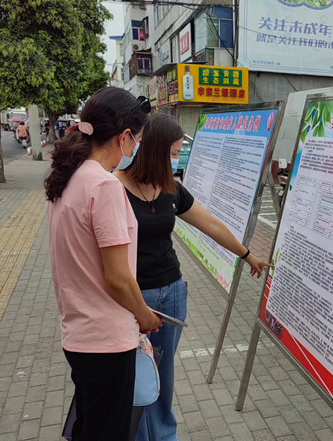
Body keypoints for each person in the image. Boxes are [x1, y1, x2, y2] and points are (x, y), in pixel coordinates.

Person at [115, 114, 272, 441]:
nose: (177, 159)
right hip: (134, 298)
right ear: (155, 150)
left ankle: (164, 435)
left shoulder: (170, 189)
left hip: (172, 294)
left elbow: (210, 224)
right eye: (174, 152)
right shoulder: (113, 188)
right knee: (137, 375)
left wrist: (247, 254)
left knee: (163, 373)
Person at [45, 87, 162, 441]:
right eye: (137, 139)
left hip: (79, 335)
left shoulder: (68, 177)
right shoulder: (104, 186)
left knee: (88, 428)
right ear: (124, 137)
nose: (136, 148)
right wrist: (144, 316)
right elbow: (118, 279)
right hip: (107, 342)